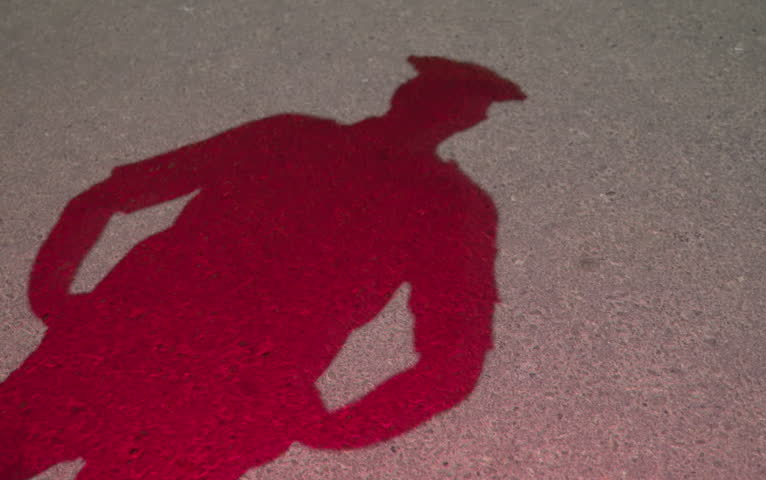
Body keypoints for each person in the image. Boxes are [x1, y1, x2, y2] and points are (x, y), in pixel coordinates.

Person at [1, 56, 525, 480]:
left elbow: (454, 357)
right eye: (428, 95)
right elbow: (107, 197)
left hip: (225, 396)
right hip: (121, 350)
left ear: (466, 122)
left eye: (448, 104)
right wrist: (49, 294)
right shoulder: (291, 137)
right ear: (405, 95)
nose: (429, 110)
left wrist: (338, 428)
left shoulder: (449, 206)